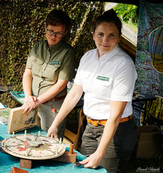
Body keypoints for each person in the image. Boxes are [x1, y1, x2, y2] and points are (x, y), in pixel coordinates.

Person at [47, 9, 138, 173]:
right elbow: (74, 94)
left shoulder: (124, 64)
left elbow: (115, 115)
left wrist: (100, 153)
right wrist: (55, 124)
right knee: (84, 170)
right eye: (101, 34)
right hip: (91, 127)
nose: (105, 40)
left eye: (111, 35)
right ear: (93, 34)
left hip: (117, 131)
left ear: (119, 37)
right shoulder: (87, 57)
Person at [22, 9, 76, 139]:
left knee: (49, 143)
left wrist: (37, 101)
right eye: (50, 31)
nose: (53, 36)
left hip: (53, 107)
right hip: (33, 103)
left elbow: (61, 85)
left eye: (58, 33)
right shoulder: (37, 48)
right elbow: (28, 74)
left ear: (65, 33)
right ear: (45, 27)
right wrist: (28, 97)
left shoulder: (67, 53)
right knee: (31, 139)